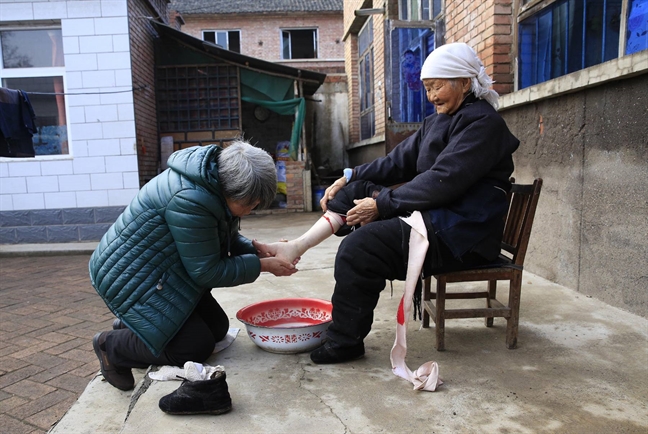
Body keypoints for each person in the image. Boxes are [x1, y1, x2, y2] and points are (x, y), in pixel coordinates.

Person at [255, 42, 520, 364]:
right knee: (355, 190)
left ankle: (345, 342)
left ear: (464, 83)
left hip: (460, 232)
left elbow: (444, 180)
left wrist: (383, 206)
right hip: (436, 216)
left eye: (437, 87)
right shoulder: (437, 121)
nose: (431, 96)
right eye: (427, 88)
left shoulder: (483, 124)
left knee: (360, 248)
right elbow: (397, 162)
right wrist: (348, 175)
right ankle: (297, 246)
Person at [89, 140, 297, 391]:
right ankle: (111, 347)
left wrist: (259, 248)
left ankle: (134, 327)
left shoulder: (213, 183)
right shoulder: (191, 199)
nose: (251, 210)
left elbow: (217, 237)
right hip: (134, 278)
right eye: (250, 203)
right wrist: (263, 265)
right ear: (230, 189)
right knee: (194, 347)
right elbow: (207, 271)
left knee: (218, 328)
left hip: (165, 272)